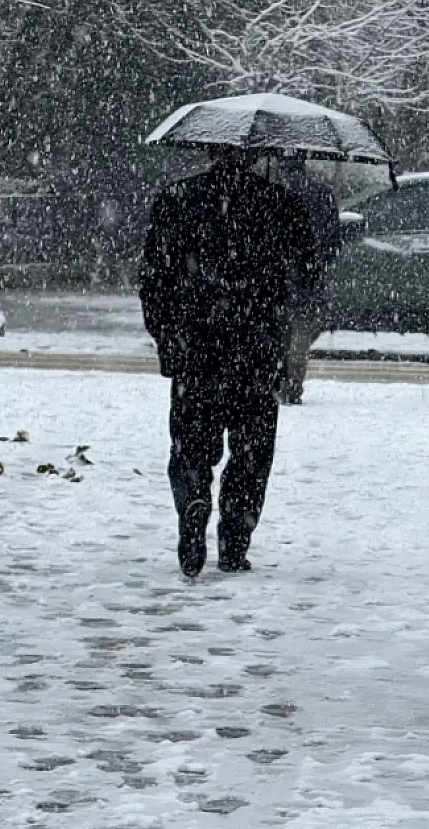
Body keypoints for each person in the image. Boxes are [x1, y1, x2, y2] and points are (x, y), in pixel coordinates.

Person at [141, 146, 320, 577]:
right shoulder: (279, 204)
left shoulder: (178, 199)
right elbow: (308, 273)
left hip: (196, 348)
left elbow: (154, 278)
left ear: (208, 148)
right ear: (257, 155)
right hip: (256, 349)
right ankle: (235, 540)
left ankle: (192, 502)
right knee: (251, 453)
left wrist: (168, 337)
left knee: (190, 445)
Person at [274, 159, 342, 405]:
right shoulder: (322, 195)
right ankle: (293, 384)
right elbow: (334, 240)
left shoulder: (273, 196)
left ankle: (280, 379)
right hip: (308, 278)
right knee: (301, 335)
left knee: (279, 333)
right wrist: (319, 263)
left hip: (278, 278)